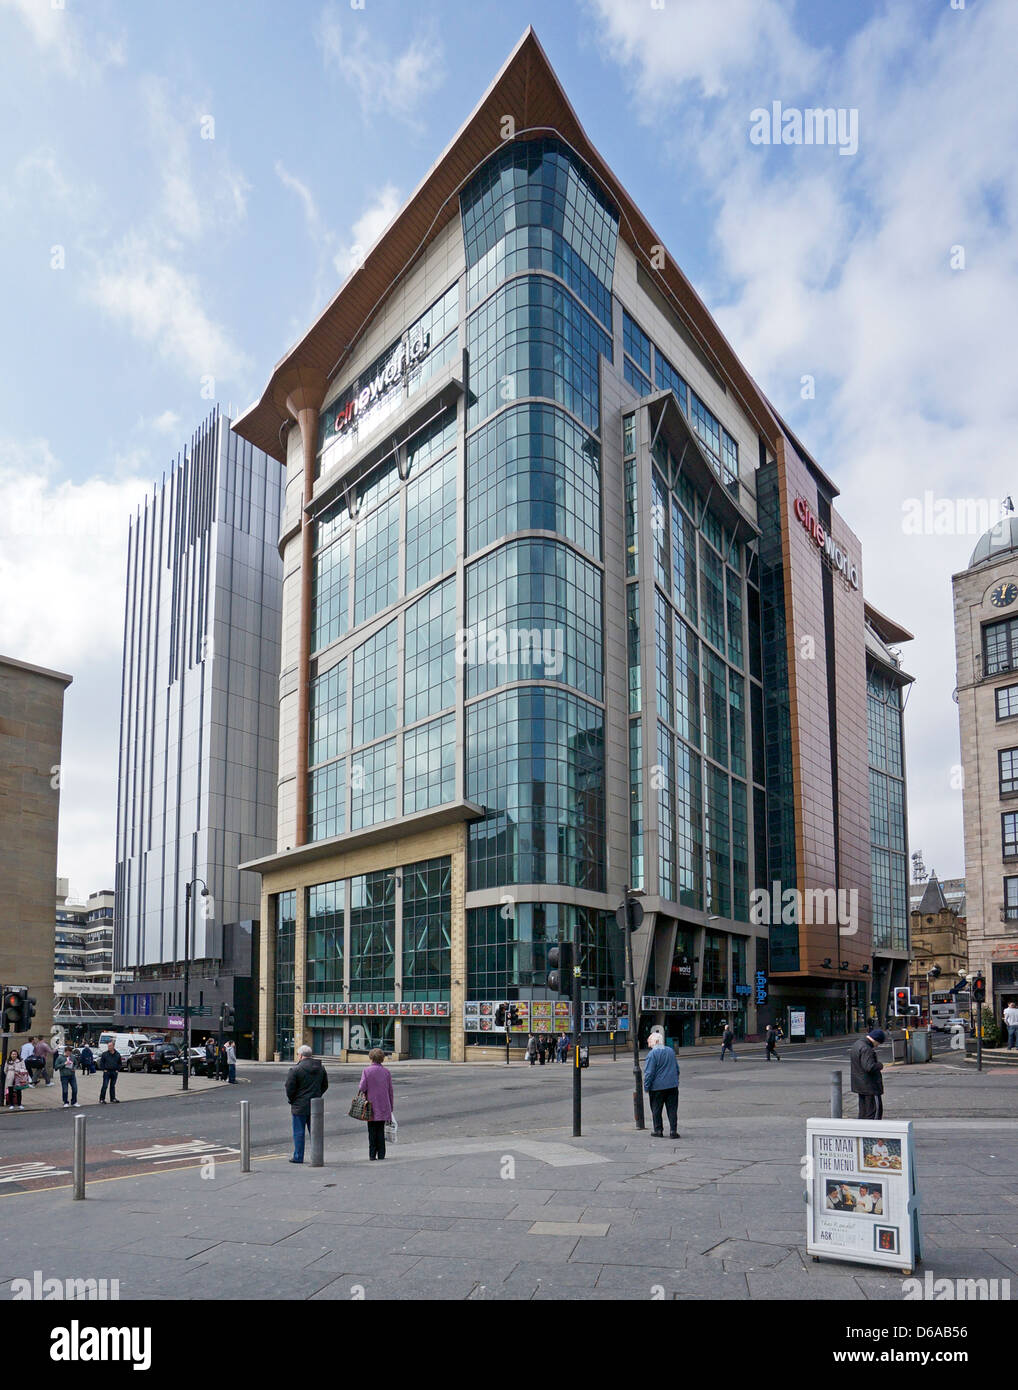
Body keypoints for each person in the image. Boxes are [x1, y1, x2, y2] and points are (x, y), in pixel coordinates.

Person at [285, 1043, 329, 1164]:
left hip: (299, 1105)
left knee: (298, 1132)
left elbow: (289, 1088)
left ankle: (298, 1157)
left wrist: (292, 1100)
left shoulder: (295, 1069)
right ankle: (317, 1156)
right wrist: (317, 1095)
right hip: (316, 1105)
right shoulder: (321, 1068)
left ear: (301, 1056)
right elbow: (325, 1085)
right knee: (315, 1132)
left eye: (297, 1054)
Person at [358, 1047, 394, 1161]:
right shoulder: (386, 1072)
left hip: (371, 1105)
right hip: (383, 1104)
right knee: (380, 1130)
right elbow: (390, 1091)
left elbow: (362, 1087)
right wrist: (391, 1107)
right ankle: (382, 1154)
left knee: (371, 1130)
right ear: (382, 1058)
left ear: (371, 1058)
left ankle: (372, 1154)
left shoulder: (366, 1071)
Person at [643, 1033, 680, 1139]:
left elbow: (649, 1073)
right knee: (672, 1109)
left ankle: (658, 1130)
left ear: (656, 1042)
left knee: (656, 1109)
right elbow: (677, 1069)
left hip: (657, 1087)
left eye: (650, 1041)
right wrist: (675, 1081)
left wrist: (646, 1086)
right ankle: (673, 1131)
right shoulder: (670, 1051)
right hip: (672, 1086)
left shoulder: (652, 1054)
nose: (649, 1044)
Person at [849, 1028, 886, 1119]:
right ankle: (872, 1132)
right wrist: (880, 1065)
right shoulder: (867, 1048)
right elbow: (869, 1067)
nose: (877, 1046)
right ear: (876, 1040)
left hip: (859, 1084)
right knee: (874, 1112)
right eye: (878, 1043)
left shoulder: (857, 1044)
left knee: (863, 1112)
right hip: (870, 1086)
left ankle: (862, 1132)